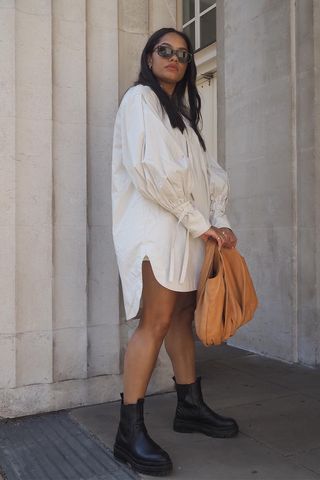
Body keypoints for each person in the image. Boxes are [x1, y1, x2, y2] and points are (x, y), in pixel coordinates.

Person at [111, 27, 238, 477]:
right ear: (149, 58)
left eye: (183, 54)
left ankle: (190, 406)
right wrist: (200, 222)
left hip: (188, 230)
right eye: (165, 51)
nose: (174, 58)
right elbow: (151, 171)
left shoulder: (181, 115)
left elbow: (210, 173)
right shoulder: (139, 102)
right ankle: (128, 432)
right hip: (158, 231)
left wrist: (217, 222)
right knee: (157, 320)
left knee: (182, 317)